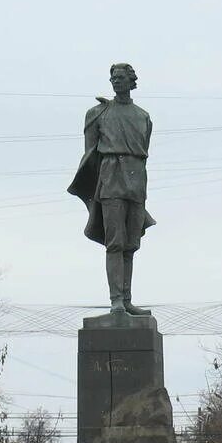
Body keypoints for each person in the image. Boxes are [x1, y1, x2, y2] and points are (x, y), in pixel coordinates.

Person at [67, 63, 156, 316]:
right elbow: (90, 154)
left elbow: (144, 150)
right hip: (111, 179)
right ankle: (116, 300)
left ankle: (127, 300)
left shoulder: (143, 116)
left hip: (136, 179)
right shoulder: (97, 113)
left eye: (121, 78)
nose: (116, 82)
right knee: (114, 243)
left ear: (131, 81)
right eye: (113, 78)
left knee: (131, 244)